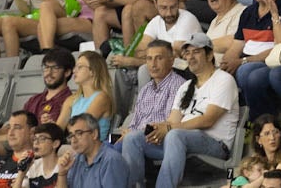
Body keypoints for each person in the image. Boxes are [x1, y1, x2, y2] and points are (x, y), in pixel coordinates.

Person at [120, 36, 241, 188]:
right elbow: (171, 120)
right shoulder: (187, 86)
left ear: (210, 55)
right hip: (181, 140)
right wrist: (157, 130)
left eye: (196, 52)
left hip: (214, 143)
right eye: (187, 53)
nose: (190, 57)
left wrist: (170, 128)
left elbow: (208, 120)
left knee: (175, 135)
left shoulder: (223, 80)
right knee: (133, 138)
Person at [60, 114, 128, 188]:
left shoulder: (112, 160)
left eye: (79, 133)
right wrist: (62, 174)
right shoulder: (75, 160)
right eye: (71, 136)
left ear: (94, 134)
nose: (73, 140)